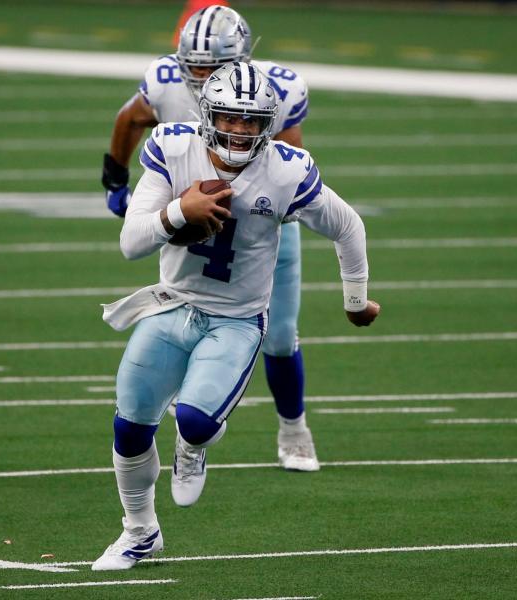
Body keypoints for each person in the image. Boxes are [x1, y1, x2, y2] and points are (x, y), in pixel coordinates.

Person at [92, 62, 380, 571]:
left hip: (237, 320)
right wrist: (181, 212)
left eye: (251, 121)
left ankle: (193, 445)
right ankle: (138, 532)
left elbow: (348, 226)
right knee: (130, 423)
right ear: (207, 114)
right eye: (229, 117)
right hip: (172, 304)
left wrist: (355, 300)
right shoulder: (171, 146)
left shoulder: (287, 169)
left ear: (268, 123)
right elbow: (131, 243)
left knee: (197, 422)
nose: (239, 129)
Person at [101, 5, 320, 471]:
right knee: (177, 323)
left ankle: (293, 428)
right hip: (190, 226)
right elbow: (130, 118)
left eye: (213, 67)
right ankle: (191, 424)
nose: (200, 77)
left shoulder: (275, 89)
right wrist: (116, 182)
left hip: (260, 230)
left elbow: (290, 162)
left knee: (279, 336)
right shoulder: (164, 79)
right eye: (193, 66)